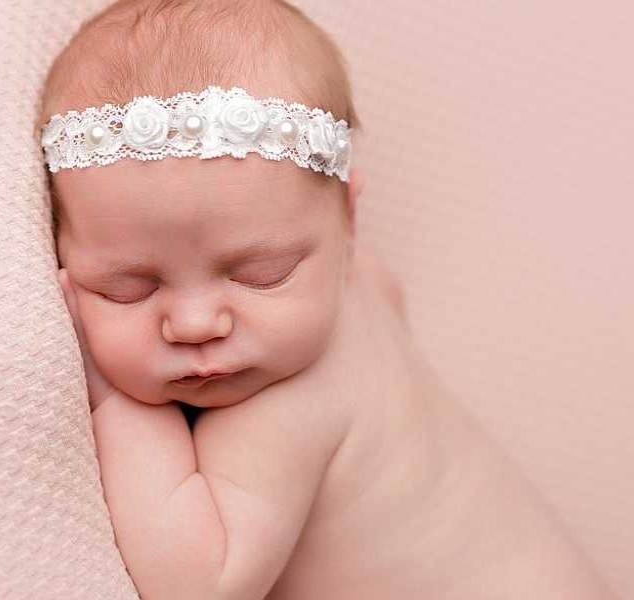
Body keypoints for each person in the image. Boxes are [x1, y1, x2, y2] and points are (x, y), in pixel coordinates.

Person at [40, 1, 619, 598]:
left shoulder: (286, 406)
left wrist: (116, 405)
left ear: (348, 218)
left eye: (263, 274)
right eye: (127, 289)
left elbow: (200, 584)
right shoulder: (362, 281)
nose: (195, 324)